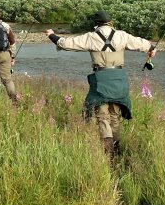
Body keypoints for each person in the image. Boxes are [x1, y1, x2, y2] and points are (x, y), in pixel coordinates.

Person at [45, 10, 156, 159]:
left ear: (96, 23)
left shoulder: (91, 37)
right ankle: (116, 152)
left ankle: (108, 153)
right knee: (115, 116)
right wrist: (151, 48)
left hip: (101, 79)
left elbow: (66, 44)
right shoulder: (122, 35)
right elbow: (143, 44)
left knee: (102, 116)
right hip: (119, 80)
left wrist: (52, 35)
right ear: (110, 22)